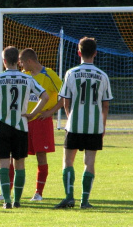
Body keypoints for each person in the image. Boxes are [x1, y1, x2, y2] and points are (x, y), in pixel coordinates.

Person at [0, 46, 49, 209]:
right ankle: (17, 201)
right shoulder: (27, 79)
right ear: (18, 61)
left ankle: (7, 200)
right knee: (19, 164)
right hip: (21, 126)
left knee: (3, 164)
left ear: (4, 61)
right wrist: (32, 114)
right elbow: (45, 96)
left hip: (2, 125)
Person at [0, 48, 64, 202]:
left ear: (29, 61)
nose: (21, 66)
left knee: (40, 156)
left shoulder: (49, 75)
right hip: (22, 121)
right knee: (12, 156)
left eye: (22, 62)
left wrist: (51, 112)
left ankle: (38, 193)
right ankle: (6, 192)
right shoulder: (25, 76)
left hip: (41, 121)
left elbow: (65, 95)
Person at [54, 37, 113, 209]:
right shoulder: (102, 75)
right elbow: (106, 104)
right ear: (95, 53)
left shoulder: (71, 73)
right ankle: (85, 201)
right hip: (94, 126)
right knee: (89, 162)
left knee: (68, 161)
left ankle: (69, 197)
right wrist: (103, 125)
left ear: (79, 52)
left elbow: (65, 100)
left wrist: (70, 116)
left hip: (74, 124)